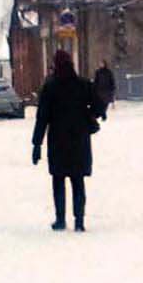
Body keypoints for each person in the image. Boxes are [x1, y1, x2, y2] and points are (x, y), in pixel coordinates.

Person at [30, 50, 105, 232]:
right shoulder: (83, 85)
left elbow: (42, 117)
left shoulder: (50, 87)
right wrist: (89, 115)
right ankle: (79, 221)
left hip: (58, 141)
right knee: (78, 180)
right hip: (79, 139)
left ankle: (60, 219)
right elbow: (98, 106)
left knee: (58, 180)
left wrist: (37, 144)